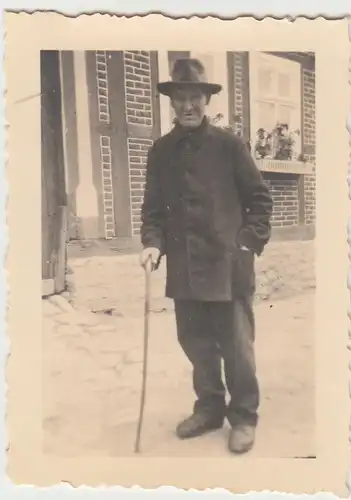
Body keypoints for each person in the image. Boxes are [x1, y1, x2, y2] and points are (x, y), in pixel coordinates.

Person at [139, 58, 273, 454]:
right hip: (184, 268)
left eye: (195, 96)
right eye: (180, 98)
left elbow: (260, 201)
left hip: (228, 266)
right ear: (172, 103)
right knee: (195, 343)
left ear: (206, 99)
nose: (188, 106)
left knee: (236, 347)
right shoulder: (160, 152)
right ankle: (210, 407)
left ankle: (244, 415)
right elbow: (153, 211)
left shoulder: (229, 146)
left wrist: (247, 242)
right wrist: (152, 243)